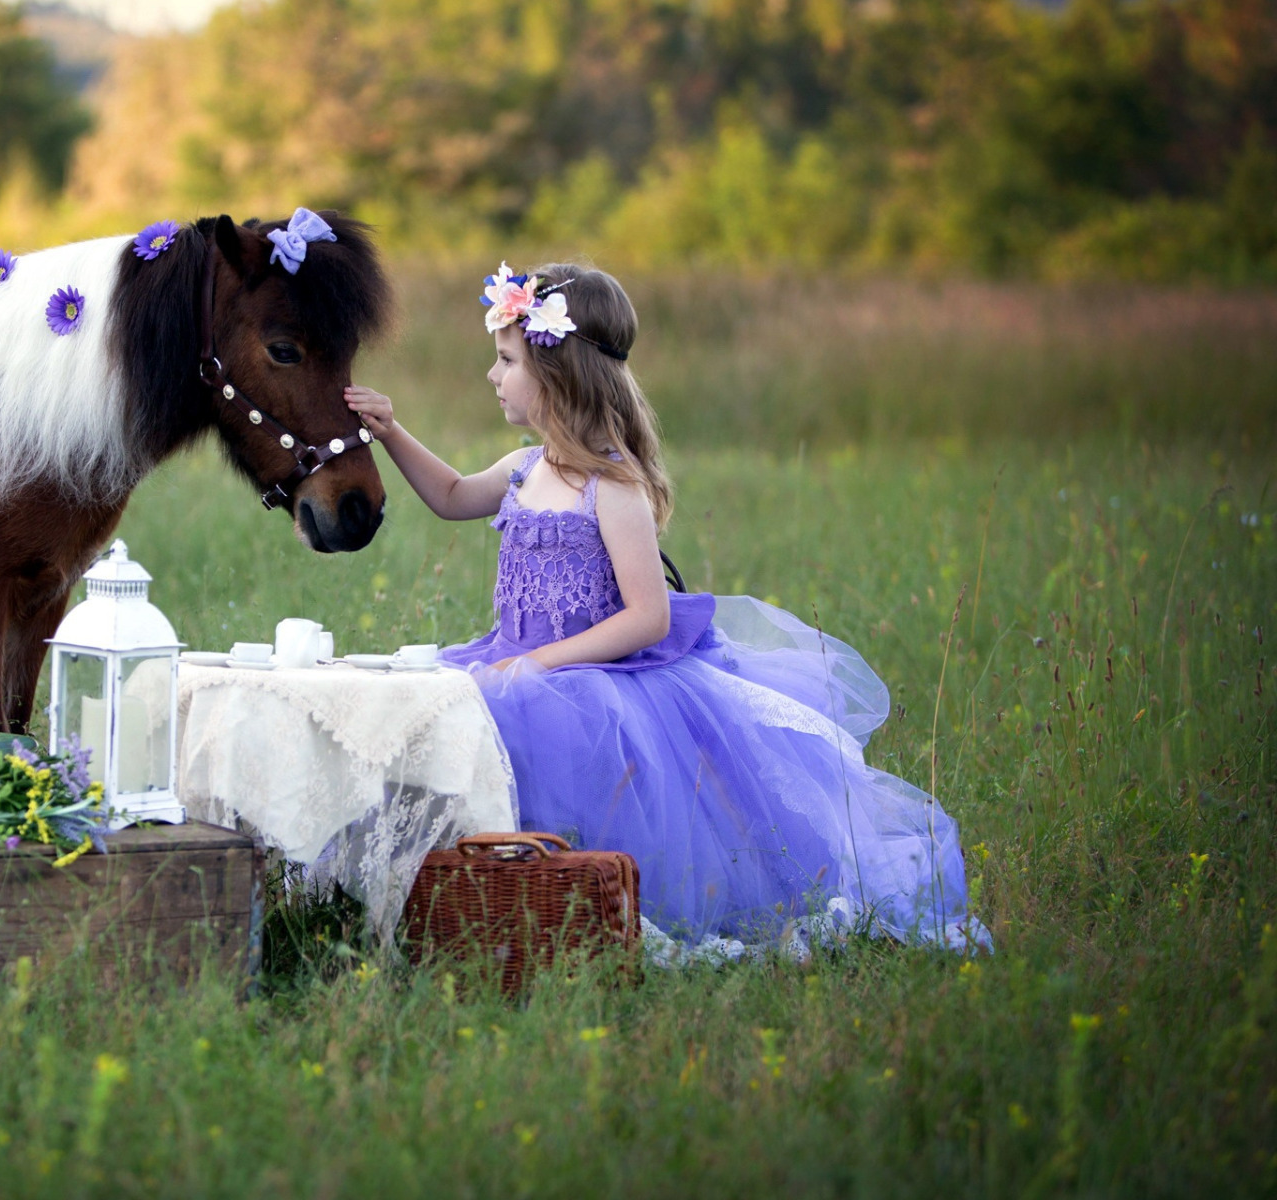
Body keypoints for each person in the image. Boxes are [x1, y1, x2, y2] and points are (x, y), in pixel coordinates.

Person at [346, 262, 989, 960]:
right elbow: (449, 495)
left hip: (592, 679)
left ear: (558, 374)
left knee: (562, 767)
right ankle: (489, 912)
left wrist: (536, 664)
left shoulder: (611, 487)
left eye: (506, 361)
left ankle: (579, 912)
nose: (492, 376)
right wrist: (389, 430)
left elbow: (647, 618)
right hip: (511, 659)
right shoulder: (524, 468)